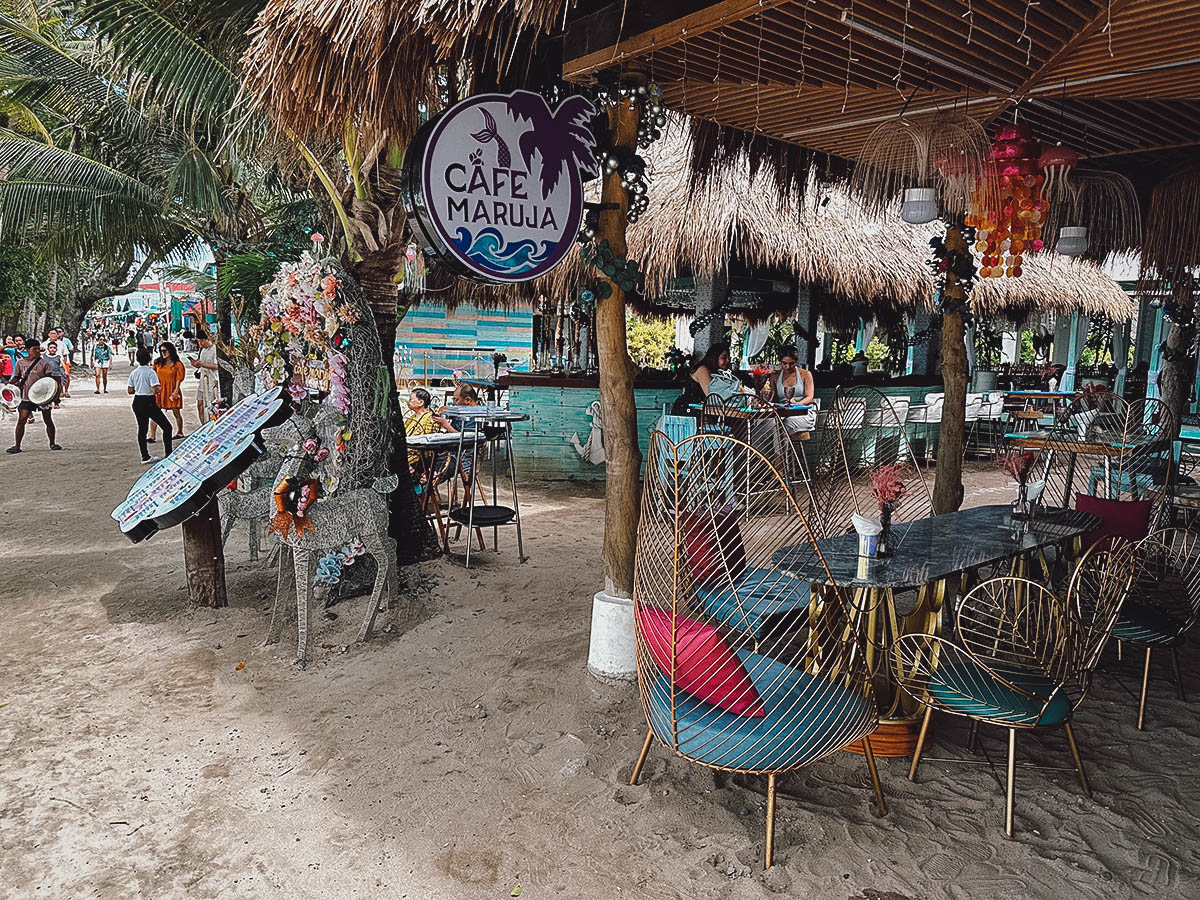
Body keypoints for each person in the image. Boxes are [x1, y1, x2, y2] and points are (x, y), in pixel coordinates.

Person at [6, 340, 62, 453]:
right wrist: (8, 386)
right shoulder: (20, 363)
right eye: (34, 349)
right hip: (26, 396)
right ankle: (17, 445)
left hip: (43, 396)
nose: (37, 351)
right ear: (27, 350)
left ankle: (52, 443)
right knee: (22, 420)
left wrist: (55, 396)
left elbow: (50, 381)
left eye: (38, 348)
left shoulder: (44, 364)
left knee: (48, 419)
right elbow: (16, 377)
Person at [128, 347, 173, 463]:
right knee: (167, 427)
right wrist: (160, 389)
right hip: (149, 401)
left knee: (142, 429)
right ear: (149, 358)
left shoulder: (134, 373)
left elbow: (130, 390)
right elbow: (155, 389)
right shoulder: (151, 372)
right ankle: (168, 453)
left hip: (138, 401)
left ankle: (145, 456)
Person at [761, 345, 818, 437]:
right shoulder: (775, 376)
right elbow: (770, 397)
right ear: (780, 362)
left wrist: (797, 403)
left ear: (796, 361)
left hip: (804, 414)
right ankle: (764, 451)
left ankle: (779, 452)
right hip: (784, 413)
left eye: (791, 364)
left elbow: (809, 397)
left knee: (784, 426)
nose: (787, 367)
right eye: (784, 363)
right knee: (765, 425)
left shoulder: (805, 374)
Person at [149, 341, 186, 442]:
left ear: (170, 351)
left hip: (172, 390)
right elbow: (153, 376)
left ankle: (180, 432)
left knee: (176, 412)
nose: (163, 353)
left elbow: (179, 378)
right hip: (160, 390)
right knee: (155, 413)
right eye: (161, 351)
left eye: (165, 351)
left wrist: (176, 390)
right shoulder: (157, 363)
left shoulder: (177, 364)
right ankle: (152, 436)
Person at [189, 330, 219, 425]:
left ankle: (212, 423)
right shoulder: (202, 350)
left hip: (212, 380)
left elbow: (217, 366)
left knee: (211, 405)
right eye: (199, 341)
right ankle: (203, 424)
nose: (200, 343)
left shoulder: (214, 349)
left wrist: (202, 364)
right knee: (200, 403)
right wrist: (197, 364)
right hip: (203, 380)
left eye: (202, 341)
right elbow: (201, 363)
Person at [42, 341, 66, 409]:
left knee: (57, 389)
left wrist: (66, 372)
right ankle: (47, 402)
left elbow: (63, 364)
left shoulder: (58, 357)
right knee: (47, 389)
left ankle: (56, 402)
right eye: (51, 348)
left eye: (54, 348)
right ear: (48, 348)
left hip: (57, 374)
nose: (52, 349)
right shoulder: (44, 356)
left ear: (56, 349)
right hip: (47, 375)